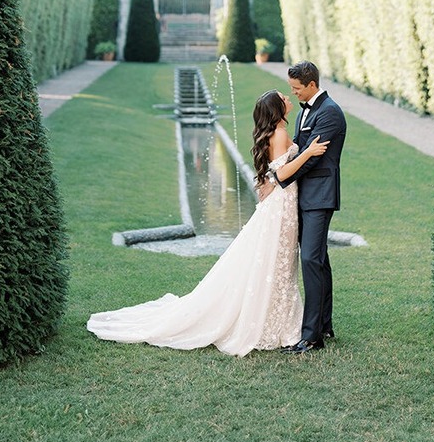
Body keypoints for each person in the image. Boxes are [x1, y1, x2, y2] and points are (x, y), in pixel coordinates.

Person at [86, 89, 329, 357]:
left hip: (282, 203)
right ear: (277, 109)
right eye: (283, 98)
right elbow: (282, 172)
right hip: (281, 207)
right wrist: (308, 153)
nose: (288, 99)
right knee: (278, 262)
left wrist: (273, 175)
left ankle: (279, 319)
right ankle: (274, 322)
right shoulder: (280, 134)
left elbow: (274, 171)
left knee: (279, 263)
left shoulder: (279, 131)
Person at [263, 60, 347, 355]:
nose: (293, 93)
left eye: (297, 88)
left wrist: (278, 179)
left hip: (319, 196)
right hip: (301, 195)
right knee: (318, 260)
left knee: (311, 259)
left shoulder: (330, 113)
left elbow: (312, 159)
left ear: (312, 84)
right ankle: (324, 325)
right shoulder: (303, 112)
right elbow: (297, 149)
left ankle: (311, 337)